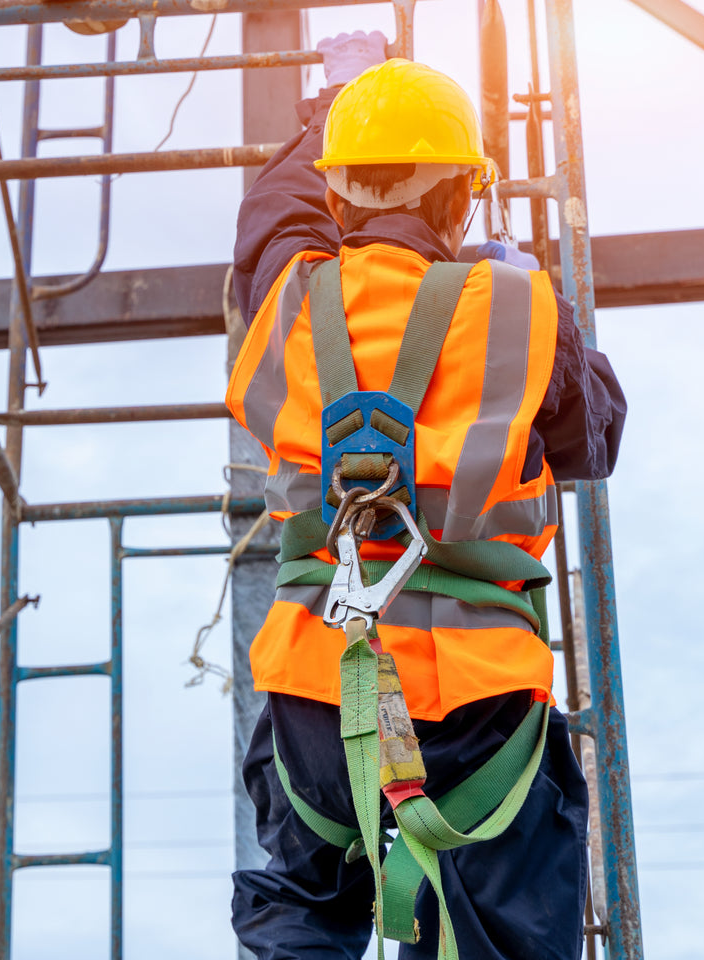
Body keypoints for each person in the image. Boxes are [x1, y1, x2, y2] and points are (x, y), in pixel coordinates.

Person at [225, 32, 626, 960]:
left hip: (315, 682)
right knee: (494, 934)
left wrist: (332, 103)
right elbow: (591, 437)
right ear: (459, 195)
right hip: (474, 707)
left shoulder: (285, 301)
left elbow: (268, 223)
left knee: (299, 914)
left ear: (333, 194)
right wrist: (523, 291)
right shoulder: (520, 311)